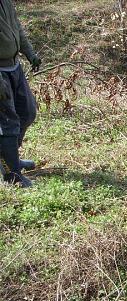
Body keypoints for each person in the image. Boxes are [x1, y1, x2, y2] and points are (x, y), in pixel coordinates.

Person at [0, 0, 41, 187]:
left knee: (28, 112)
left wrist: (30, 54)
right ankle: (11, 174)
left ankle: (11, 158)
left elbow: (17, 29)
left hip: (14, 66)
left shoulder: (6, 2)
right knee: (8, 123)